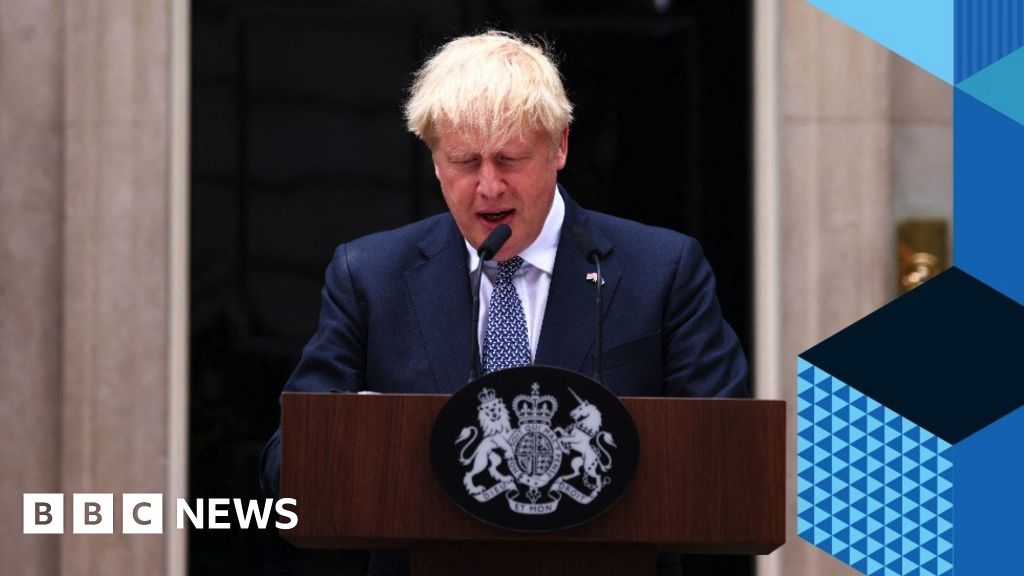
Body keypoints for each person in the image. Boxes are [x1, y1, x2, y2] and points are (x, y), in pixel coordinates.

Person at [261, 31, 748, 575]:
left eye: (510, 159)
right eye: (466, 161)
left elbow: (725, 461)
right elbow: (287, 471)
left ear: (560, 146)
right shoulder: (370, 276)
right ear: (435, 160)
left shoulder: (662, 269)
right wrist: (358, 439)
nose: (489, 187)